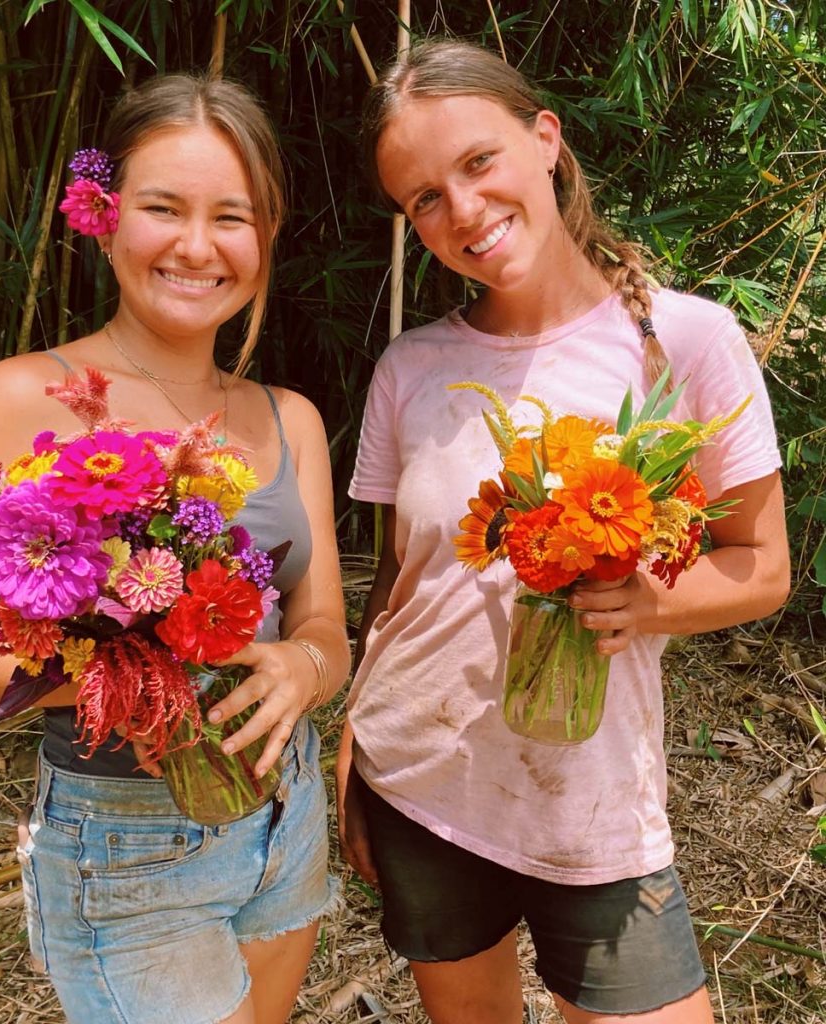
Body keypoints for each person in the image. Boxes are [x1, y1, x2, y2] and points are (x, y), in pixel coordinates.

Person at [338, 39, 789, 1024]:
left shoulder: (685, 343)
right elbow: (396, 586)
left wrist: (651, 597)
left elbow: (762, 569)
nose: (459, 210)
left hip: (592, 800)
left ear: (545, 139)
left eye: (476, 163)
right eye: (421, 198)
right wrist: (348, 745)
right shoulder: (409, 370)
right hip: (417, 784)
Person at [0, 73, 350, 1024]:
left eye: (232, 216)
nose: (196, 245)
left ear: (265, 237)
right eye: (162, 208)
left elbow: (324, 627)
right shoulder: (19, 397)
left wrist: (304, 670)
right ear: (104, 221)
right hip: (127, 841)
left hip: (287, 810)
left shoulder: (290, 418)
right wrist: (138, 683)